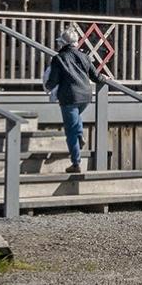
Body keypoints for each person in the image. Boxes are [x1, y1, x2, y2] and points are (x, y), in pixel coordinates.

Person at [43, 26, 103, 174]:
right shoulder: (85, 56)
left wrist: (47, 86)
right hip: (86, 96)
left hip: (69, 96)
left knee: (70, 131)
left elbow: (53, 80)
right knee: (76, 117)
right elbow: (95, 76)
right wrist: (104, 79)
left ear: (63, 43)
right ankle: (80, 133)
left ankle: (75, 163)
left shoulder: (59, 58)